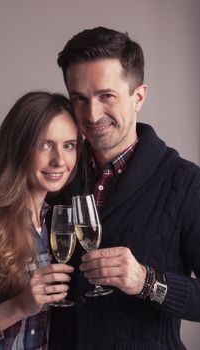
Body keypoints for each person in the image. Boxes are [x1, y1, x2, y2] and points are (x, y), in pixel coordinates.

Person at [48, 27, 200, 350]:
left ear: (139, 97)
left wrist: (146, 281)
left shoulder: (186, 182)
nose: (92, 115)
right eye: (80, 98)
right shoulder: (54, 176)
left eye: (106, 96)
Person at [0, 91, 82, 349]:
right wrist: (18, 306)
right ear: (18, 147)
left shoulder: (53, 226)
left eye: (69, 145)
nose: (59, 160)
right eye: (44, 144)